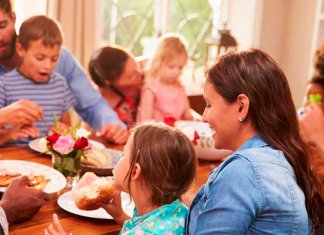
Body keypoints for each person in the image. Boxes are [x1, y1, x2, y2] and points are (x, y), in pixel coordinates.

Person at [186, 49, 324, 234]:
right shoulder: (278, 158)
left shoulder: (243, 171)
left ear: (242, 107)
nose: (204, 117)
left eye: (209, 104)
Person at [0, 0, 128, 144]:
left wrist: (113, 126)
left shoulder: (62, 62)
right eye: (40, 58)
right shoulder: (5, 84)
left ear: (13, 18)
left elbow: (90, 104)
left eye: (2, 26)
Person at [45, 122, 197, 235]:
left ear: (134, 172)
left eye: (123, 154)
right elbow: (144, 227)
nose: (120, 158)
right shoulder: (177, 210)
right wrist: (119, 215)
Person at [0, 15, 76, 145]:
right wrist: (10, 134)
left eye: (54, 59)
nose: (48, 66)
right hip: (15, 158)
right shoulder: (4, 84)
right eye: (40, 58)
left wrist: (65, 132)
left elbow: (69, 129)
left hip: (49, 159)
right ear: (21, 50)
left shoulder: (60, 84)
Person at [137, 33, 194, 122]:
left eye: (180, 67)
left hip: (177, 133)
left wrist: (194, 118)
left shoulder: (179, 88)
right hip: (155, 134)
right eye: (171, 67)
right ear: (158, 63)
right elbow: (144, 121)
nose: (176, 72)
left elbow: (187, 113)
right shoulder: (151, 89)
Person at [88, 46, 142, 129]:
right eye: (131, 76)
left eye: (137, 65)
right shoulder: (99, 101)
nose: (140, 73)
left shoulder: (150, 67)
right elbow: (86, 135)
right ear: (110, 83)